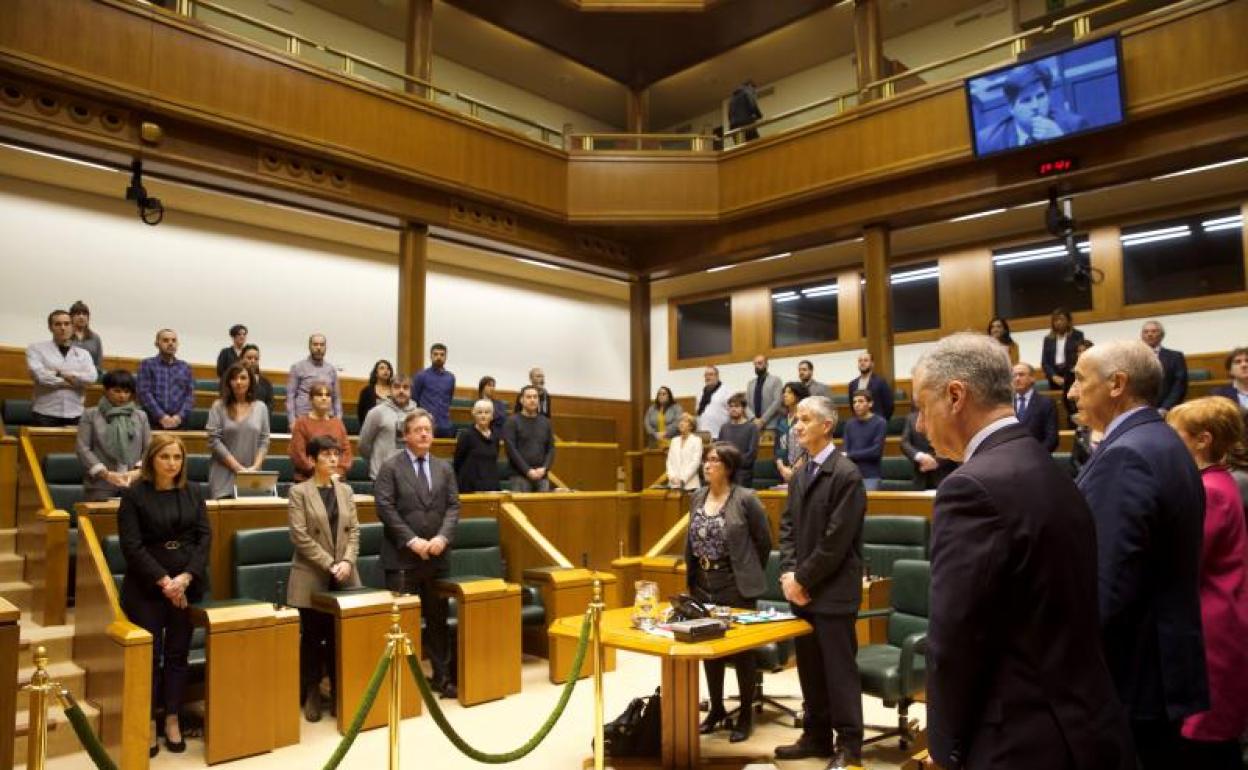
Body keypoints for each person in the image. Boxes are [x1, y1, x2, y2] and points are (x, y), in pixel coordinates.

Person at [913, 333, 1133, 770]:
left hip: (1016, 734)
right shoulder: (1040, 462)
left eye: (921, 406)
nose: (919, 425)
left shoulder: (969, 487)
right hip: (1079, 719)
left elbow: (956, 636)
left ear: (955, 395)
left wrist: (943, 745)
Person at [1070, 340, 1208, 768]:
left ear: (1117, 384)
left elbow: (1105, 583)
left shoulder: (1127, 455)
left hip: (1131, 675)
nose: (1072, 392)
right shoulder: (1161, 440)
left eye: (1080, 379)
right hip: (1156, 666)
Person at [775, 396, 865, 768]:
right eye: (797, 419)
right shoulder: (800, 473)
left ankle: (849, 746)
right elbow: (787, 528)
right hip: (803, 591)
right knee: (809, 668)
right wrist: (790, 573)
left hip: (833, 591)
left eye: (805, 419)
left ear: (827, 425)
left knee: (838, 672)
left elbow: (836, 541)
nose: (797, 426)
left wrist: (802, 577)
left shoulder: (847, 475)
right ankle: (816, 735)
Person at [1165, 398, 1248, 767]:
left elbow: (1186, 563)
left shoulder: (1209, 491)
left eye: (1176, 435)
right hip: (1220, 610)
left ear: (1202, 440)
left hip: (1213, 622)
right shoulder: (1218, 480)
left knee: (1206, 736)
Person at [117, 435, 210, 757]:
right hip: (147, 588)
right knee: (150, 657)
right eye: (165, 457)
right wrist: (164, 581)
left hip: (186, 585)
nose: (172, 463)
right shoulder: (133, 495)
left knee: (177, 654)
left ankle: (172, 717)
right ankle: (149, 721)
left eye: (177, 457)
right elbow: (131, 545)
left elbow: (204, 537)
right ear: (151, 459)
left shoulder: (193, 491)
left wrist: (184, 579)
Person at [685, 442, 771, 743]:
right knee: (710, 650)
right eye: (706, 460)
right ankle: (717, 708)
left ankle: (745, 713)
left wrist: (746, 572)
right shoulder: (697, 496)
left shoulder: (746, 499)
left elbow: (763, 542)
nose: (707, 465)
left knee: (742, 652)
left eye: (714, 461)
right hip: (702, 582)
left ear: (729, 468)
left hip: (735, 584)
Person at [374, 410, 459, 699]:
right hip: (402, 559)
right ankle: (403, 684)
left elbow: (453, 507)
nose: (425, 434)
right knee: (404, 623)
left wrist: (442, 537)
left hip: (437, 557)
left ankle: (442, 677)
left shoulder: (444, 468)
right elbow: (385, 508)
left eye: (428, 429)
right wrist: (412, 541)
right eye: (418, 429)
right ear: (405, 435)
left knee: (438, 621)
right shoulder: (390, 467)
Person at [286, 434, 360, 722]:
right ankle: (313, 690)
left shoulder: (346, 491)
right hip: (313, 574)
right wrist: (331, 563)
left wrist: (347, 561)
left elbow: (354, 531)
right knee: (313, 637)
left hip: (343, 574)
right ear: (313, 459)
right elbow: (299, 537)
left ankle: (339, 690)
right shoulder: (299, 492)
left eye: (336, 454)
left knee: (338, 636)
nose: (333, 459)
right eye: (326, 454)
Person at [976, 62, 1090, 153]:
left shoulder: (1075, 126)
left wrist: (1060, 140)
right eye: (1026, 100)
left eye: (1040, 96)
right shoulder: (988, 141)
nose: (1035, 106)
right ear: (1011, 108)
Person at [77, 369, 150, 501]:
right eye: (117, 391)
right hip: (100, 484)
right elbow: (83, 448)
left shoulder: (140, 416)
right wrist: (106, 474)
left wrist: (138, 472)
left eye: (126, 392)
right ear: (105, 390)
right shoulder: (91, 414)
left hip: (134, 483)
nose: (122, 396)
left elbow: (149, 449)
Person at [205, 363, 270, 500]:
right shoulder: (218, 406)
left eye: (243, 377)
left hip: (251, 474)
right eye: (234, 378)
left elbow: (264, 441)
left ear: (250, 381)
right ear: (228, 382)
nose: (238, 382)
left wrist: (255, 468)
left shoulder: (261, 407)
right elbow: (214, 441)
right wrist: (238, 468)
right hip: (223, 474)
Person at [27, 309, 97, 427]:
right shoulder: (36, 349)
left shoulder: (84, 353)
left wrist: (59, 374)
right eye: (58, 324)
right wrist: (76, 382)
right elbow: (40, 377)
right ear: (50, 327)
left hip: (75, 413)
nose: (63, 328)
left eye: (66, 324)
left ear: (72, 326)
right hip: (45, 413)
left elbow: (91, 378)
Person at [358, 375, 418, 480]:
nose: (401, 391)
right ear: (390, 390)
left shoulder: (418, 415)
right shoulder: (376, 412)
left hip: (410, 478)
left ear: (411, 391)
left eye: (405, 387)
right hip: (382, 476)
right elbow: (364, 445)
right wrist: (377, 461)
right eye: (397, 387)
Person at [290, 382, 352, 483]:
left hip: (336, 480)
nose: (324, 398)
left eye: (327, 395)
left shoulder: (338, 423)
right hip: (308, 481)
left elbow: (346, 453)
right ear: (311, 399)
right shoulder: (301, 423)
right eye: (319, 395)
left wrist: (338, 472)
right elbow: (298, 455)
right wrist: (321, 474)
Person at [136, 329, 193, 431]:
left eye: (174, 340)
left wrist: (179, 417)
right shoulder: (147, 364)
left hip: (180, 422)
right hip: (153, 422)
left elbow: (190, 395)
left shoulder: (185, 367)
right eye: (166, 340)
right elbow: (144, 393)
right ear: (157, 344)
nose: (170, 343)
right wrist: (161, 416)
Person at [503, 386, 555, 492]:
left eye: (535, 397)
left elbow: (551, 449)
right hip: (519, 476)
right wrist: (528, 471)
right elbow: (511, 450)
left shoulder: (546, 422)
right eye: (529, 397)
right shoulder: (512, 421)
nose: (532, 400)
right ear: (521, 400)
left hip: (542, 476)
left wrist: (544, 468)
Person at [1040, 307, 1083, 423]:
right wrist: (1053, 376)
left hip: (1071, 376)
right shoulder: (1048, 339)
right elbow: (1045, 362)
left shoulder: (1077, 335)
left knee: (1071, 404)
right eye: (1055, 320)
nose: (1058, 322)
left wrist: (1068, 377)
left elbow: (1078, 356)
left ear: (1068, 321)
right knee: (1057, 406)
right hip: (1054, 378)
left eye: (1062, 319)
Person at [287, 334, 341, 422]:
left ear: (325, 347)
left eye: (322, 344)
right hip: (303, 419)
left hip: (327, 419)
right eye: (315, 344)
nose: (319, 348)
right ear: (309, 346)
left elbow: (336, 398)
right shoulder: (297, 367)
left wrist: (338, 421)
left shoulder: (331, 370)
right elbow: (290, 396)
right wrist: (292, 421)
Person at [899, 411, 956, 490]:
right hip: (920, 479)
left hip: (944, 477)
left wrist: (935, 461)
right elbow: (904, 443)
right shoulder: (911, 418)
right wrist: (919, 456)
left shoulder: (947, 415)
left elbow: (955, 445)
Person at [453, 400, 501, 493]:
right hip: (470, 486)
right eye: (479, 412)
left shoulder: (495, 436)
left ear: (492, 416)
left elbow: (494, 460)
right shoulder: (466, 435)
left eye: (487, 412)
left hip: (491, 485)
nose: (483, 416)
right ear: (474, 414)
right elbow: (458, 461)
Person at [1141, 320, 1187, 414]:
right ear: (1142, 336)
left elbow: (1179, 385)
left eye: (1154, 331)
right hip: (1140, 410)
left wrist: (1165, 408)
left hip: (1167, 410)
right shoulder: (1133, 357)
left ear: (1162, 335)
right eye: (1146, 332)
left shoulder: (1175, 357)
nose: (1149, 334)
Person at [842, 392, 886, 490]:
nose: (857, 405)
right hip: (851, 474)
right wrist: (848, 455)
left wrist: (850, 455)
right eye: (854, 402)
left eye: (861, 401)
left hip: (870, 475)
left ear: (870, 404)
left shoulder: (880, 422)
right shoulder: (849, 424)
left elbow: (875, 451)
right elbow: (845, 448)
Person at [411, 343, 456, 439]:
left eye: (442, 354)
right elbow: (414, 400)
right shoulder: (421, 376)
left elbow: (449, 399)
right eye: (435, 354)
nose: (438, 357)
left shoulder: (451, 378)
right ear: (430, 356)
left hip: (445, 425)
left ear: (446, 357)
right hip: (426, 425)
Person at [1011, 362, 1058, 452]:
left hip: (1037, 458)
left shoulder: (1046, 403)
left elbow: (1052, 439)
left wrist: (1036, 456)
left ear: (1032, 378)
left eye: (1021, 375)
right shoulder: (1005, 404)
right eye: (1014, 376)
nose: (1017, 379)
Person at [718, 393, 759, 488]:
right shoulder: (724, 428)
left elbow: (751, 454)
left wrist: (732, 464)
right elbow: (719, 450)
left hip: (743, 473)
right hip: (725, 473)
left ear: (743, 409)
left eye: (737, 406)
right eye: (731, 406)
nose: (733, 409)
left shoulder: (752, 427)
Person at [774, 381, 810, 483]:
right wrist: (781, 467)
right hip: (783, 470)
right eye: (784, 392)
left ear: (798, 395)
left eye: (789, 392)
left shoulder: (806, 417)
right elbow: (777, 447)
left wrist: (795, 468)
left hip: (804, 468)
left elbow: (810, 446)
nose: (785, 395)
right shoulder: (781, 420)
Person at [847, 351, 894, 420]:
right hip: (859, 422)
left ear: (872, 364)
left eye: (866, 360)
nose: (862, 363)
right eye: (860, 361)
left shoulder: (880, 382)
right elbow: (852, 406)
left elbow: (889, 405)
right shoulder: (852, 384)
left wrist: (882, 420)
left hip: (876, 422)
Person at [745, 354, 783, 435]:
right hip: (753, 425)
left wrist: (763, 420)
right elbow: (746, 404)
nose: (757, 366)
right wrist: (753, 419)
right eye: (755, 364)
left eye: (760, 363)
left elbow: (777, 402)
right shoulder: (750, 383)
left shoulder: (776, 380)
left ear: (766, 364)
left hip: (771, 425)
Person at [665, 413, 703, 491]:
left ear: (691, 426)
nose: (681, 423)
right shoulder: (674, 440)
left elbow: (695, 462)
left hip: (690, 484)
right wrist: (671, 477)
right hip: (673, 484)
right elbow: (669, 461)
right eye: (680, 421)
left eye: (685, 421)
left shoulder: (696, 440)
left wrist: (682, 479)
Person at [696, 365, 732, 439]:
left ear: (717, 376)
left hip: (720, 434)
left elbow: (732, 412)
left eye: (711, 374)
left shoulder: (726, 391)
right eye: (706, 375)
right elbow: (698, 413)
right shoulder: (700, 393)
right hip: (703, 434)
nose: (708, 377)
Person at [356, 359, 395, 426]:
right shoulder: (367, 391)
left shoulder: (394, 390)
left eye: (388, 369)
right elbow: (361, 413)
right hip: (372, 427)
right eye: (382, 368)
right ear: (376, 373)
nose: (386, 371)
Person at [68, 300, 103, 371]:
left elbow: (98, 362)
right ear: (71, 317)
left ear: (88, 317)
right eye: (78, 314)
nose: (81, 317)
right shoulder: (65, 336)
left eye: (84, 314)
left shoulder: (95, 338)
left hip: (91, 376)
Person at [239, 344, 274, 413]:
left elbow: (270, 406)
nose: (253, 361)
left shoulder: (266, 383)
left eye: (256, 359)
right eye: (249, 358)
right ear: (241, 359)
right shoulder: (234, 379)